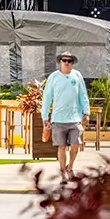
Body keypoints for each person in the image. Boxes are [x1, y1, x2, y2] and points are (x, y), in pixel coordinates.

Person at [42, 51, 90, 180]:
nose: (67, 63)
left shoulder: (77, 76)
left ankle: (70, 167)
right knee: (62, 147)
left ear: (73, 63)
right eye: (64, 60)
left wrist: (86, 112)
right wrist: (45, 116)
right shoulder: (54, 77)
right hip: (58, 118)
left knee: (76, 144)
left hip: (75, 118)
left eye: (69, 61)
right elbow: (47, 97)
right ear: (60, 62)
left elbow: (83, 95)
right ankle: (63, 171)